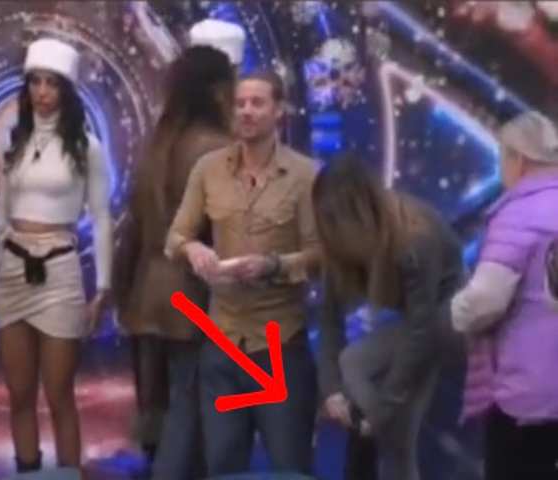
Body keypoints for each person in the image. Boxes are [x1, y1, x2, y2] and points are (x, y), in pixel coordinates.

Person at [165, 70, 319, 476]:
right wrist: (194, 248)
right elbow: (175, 237)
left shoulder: (306, 176)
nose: (247, 111)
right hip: (223, 344)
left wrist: (273, 265)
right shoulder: (209, 168)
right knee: (223, 467)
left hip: (279, 344)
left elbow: (322, 256)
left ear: (279, 111)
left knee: (290, 468)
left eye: (257, 103)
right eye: (240, 103)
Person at [114, 18, 244, 480]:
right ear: (218, 91)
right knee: (195, 416)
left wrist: (121, 294)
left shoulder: (157, 142)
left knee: (159, 411)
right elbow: (230, 234)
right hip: (195, 298)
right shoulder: (221, 150)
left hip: (147, 294)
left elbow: (133, 228)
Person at [0, 38, 112, 474]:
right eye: (35, 82)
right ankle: (28, 472)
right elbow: (1, 217)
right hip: (12, 269)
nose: (41, 92)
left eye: (51, 83)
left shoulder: (86, 146)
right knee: (19, 393)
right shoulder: (16, 142)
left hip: (59, 272)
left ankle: (68, 474)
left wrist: (103, 288)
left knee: (59, 394)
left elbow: (102, 218)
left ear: (66, 90)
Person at [313, 153, 462, 480]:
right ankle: (376, 427)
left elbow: (422, 331)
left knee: (395, 431)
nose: (335, 233)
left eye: (341, 221)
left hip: (448, 315)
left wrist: (384, 410)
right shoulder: (338, 243)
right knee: (354, 369)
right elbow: (329, 320)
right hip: (416, 320)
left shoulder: (415, 238)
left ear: (365, 212)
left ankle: (378, 425)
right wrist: (332, 390)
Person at [451, 111, 558, 480]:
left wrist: (455, 310)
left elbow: (483, 303)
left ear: (519, 159)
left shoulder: (519, 214)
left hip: (528, 399)